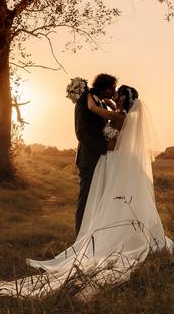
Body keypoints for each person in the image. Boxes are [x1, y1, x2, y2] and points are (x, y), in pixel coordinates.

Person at [0, 81, 174, 300]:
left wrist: (88, 97)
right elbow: (106, 117)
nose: (113, 95)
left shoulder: (120, 116)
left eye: (117, 94)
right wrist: (105, 101)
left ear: (124, 99)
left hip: (113, 161)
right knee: (108, 200)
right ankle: (103, 231)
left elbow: (96, 111)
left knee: (109, 199)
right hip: (111, 161)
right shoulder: (119, 113)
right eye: (112, 92)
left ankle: (104, 234)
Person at [73, 73, 123, 235]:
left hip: (102, 159)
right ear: (104, 87)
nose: (114, 91)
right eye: (112, 88)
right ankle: (79, 236)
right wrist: (105, 146)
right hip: (88, 159)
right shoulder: (83, 102)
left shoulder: (100, 102)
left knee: (98, 199)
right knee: (86, 199)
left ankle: (93, 234)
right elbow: (81, 133)